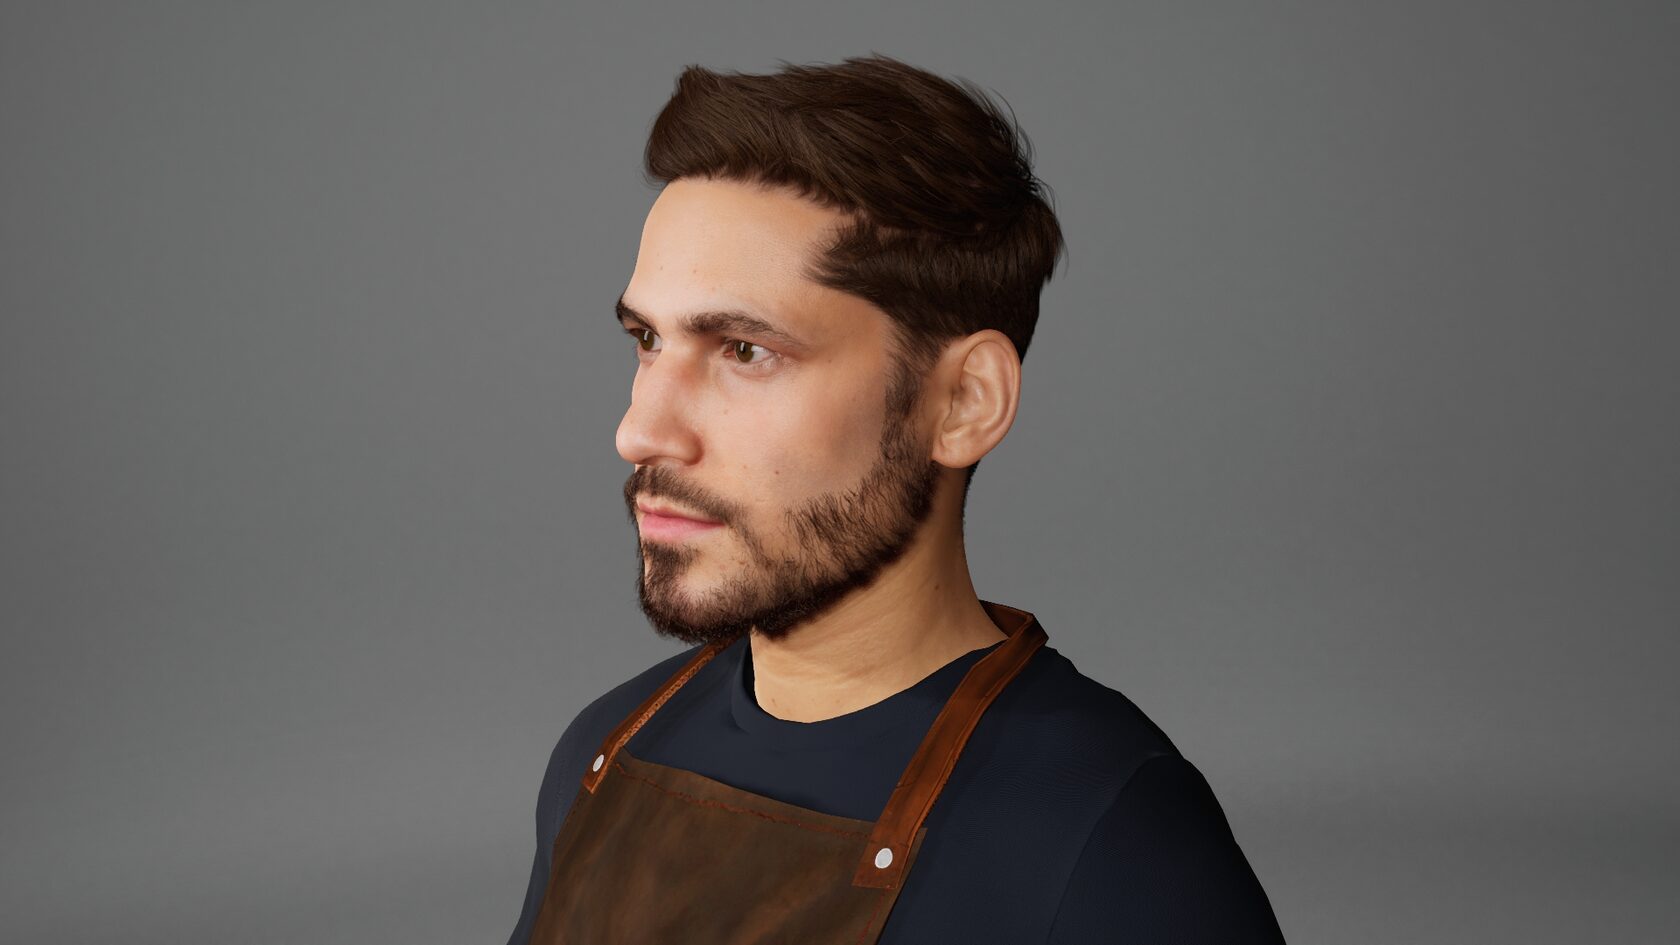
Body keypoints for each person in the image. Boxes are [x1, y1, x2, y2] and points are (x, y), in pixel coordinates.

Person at [505, 53, 1285, 944]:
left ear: (963, 402)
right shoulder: (606, 752)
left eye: (745, 351)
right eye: (647, 340)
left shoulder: (1106, 835)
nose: (641, 431)